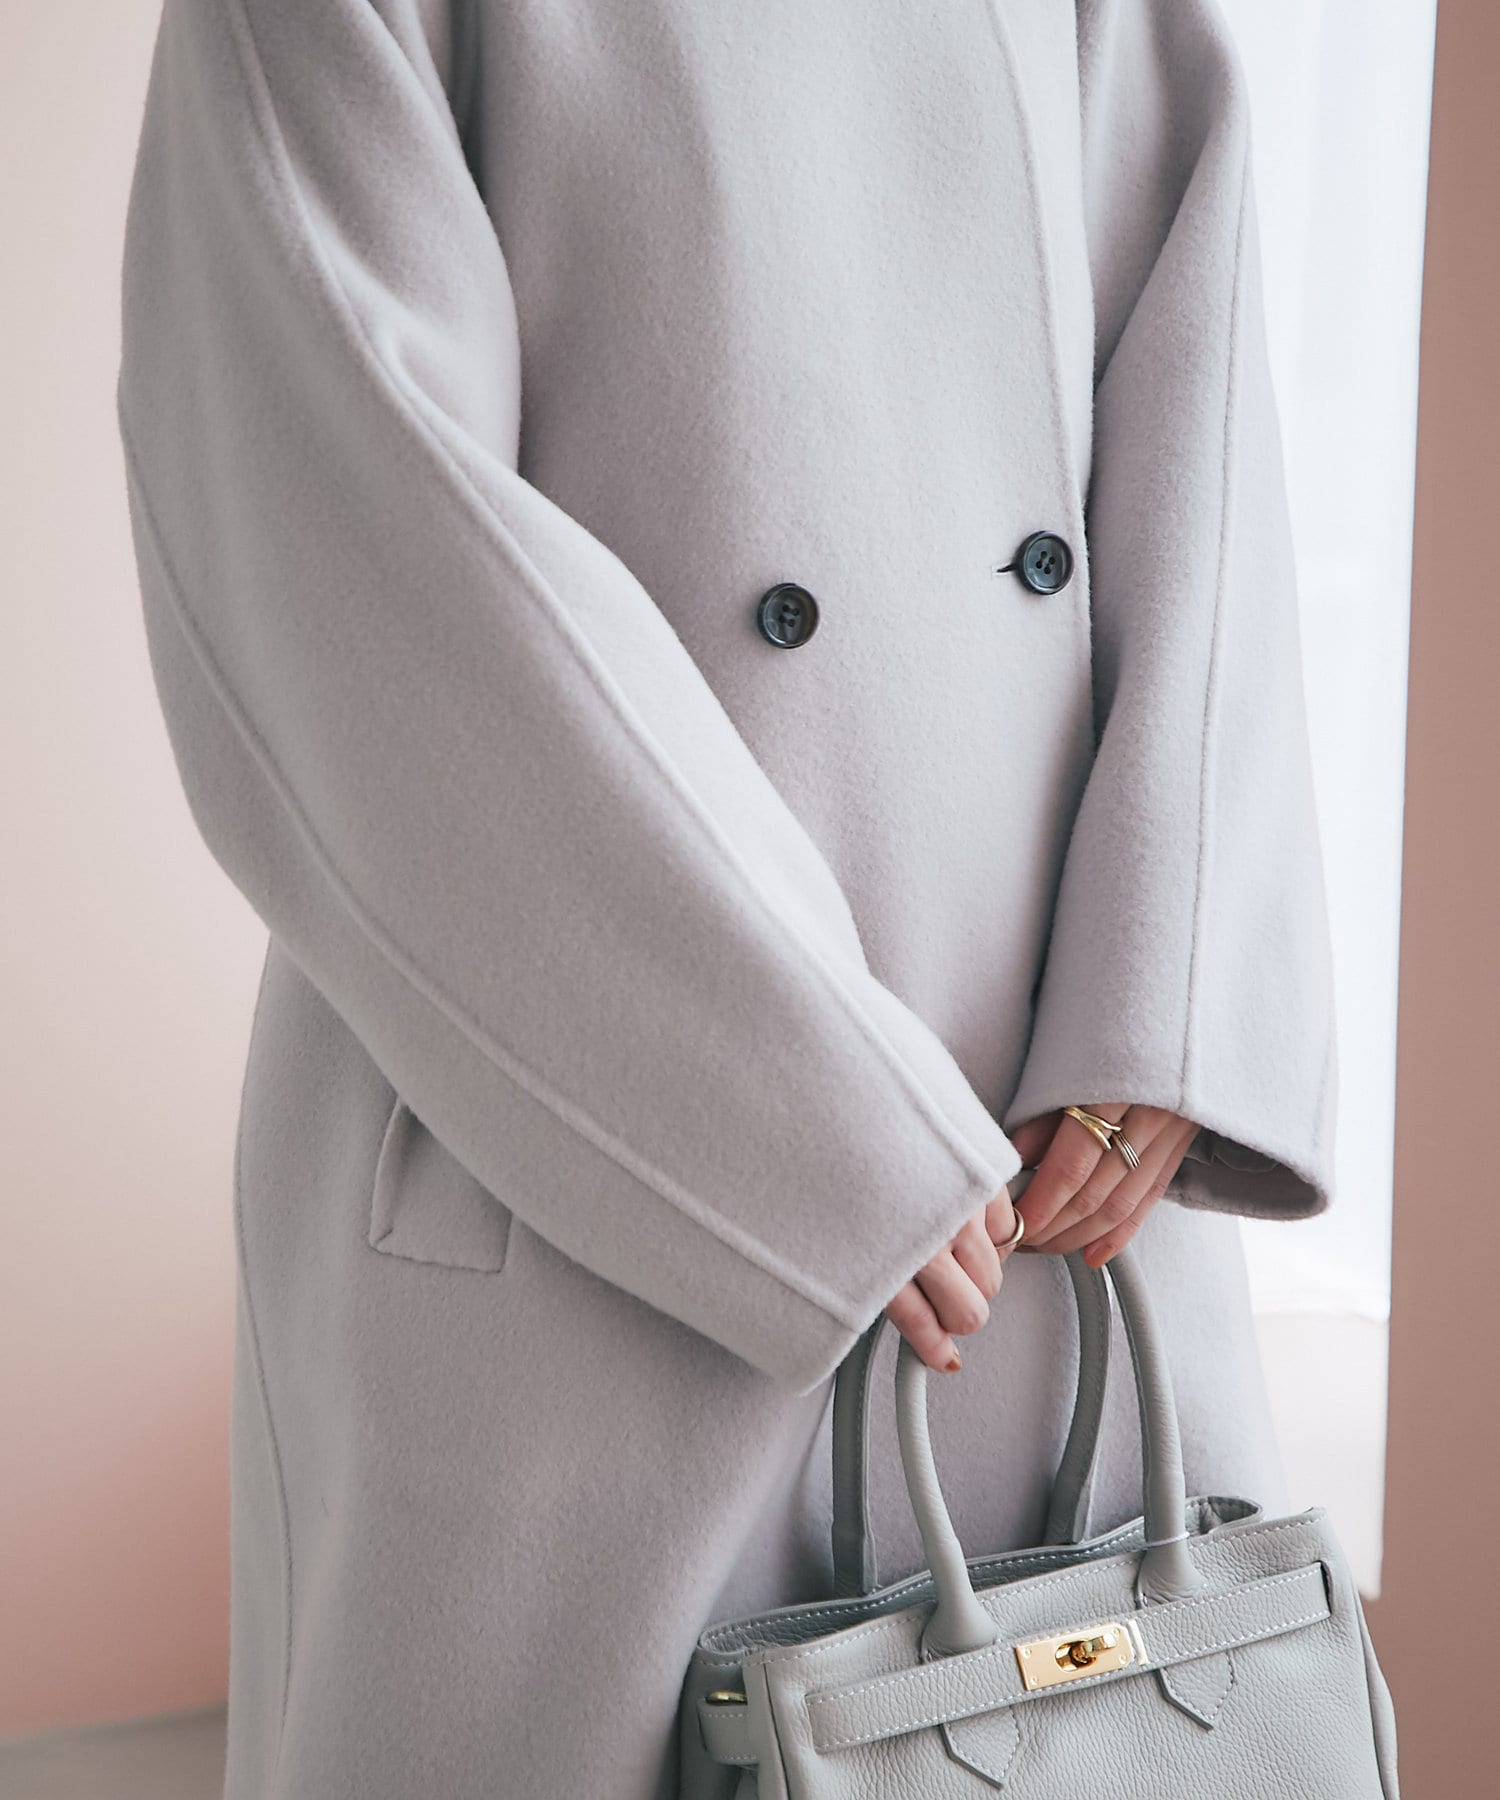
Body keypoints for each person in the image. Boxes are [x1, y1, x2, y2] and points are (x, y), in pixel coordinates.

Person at [116, 1, 1338, 1794]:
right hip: (596, 1132)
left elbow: (1205, 407)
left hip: (1067, 1145)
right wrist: (800, 1113)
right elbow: (353, 545)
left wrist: (1172, 990)